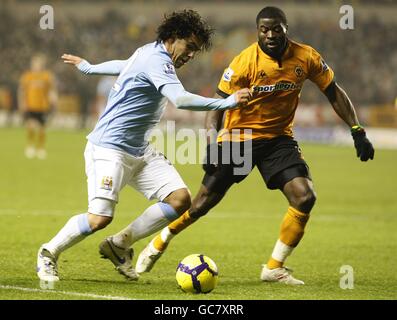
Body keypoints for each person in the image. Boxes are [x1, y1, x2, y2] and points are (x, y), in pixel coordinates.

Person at [135, 6, 375, 285]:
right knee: (201, 204)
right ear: (258, 31)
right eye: (264, 29)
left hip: (278, 140)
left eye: (276, 29)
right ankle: (161, 240)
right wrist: (212, 145)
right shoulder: (244, 62)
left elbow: (333, 90)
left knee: (305, 197)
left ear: (286, 28)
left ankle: (273, 268)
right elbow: (216, 107)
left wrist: (357, 130)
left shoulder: (306, 57)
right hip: (239, 137)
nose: (271, 34)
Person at [36, 10, 251, 282]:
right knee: (98, 219)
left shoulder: (148, 52)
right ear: (174, 38)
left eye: (196, 50)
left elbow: (125, 64)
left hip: (139, 149)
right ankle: (48, 252)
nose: (192, 54)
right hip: (109, 148)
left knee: (180, 199)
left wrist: (91, 67)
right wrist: (227, 102)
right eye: (190, 47)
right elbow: (181, 99)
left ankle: (119, 245)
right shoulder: (157, 60)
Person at [18, 54, 57, 159]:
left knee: (42, 129)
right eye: (35, 64)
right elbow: (22, 91)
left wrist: (53, 99)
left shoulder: (47, 76)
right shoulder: (27, 76)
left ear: (42, 65)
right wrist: (22, 103)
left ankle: (40, 148)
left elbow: (51, 90)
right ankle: (30, 146)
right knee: (30, 126)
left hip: (43, 106)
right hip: (30, 105)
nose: (37, 66)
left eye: (39, 64)